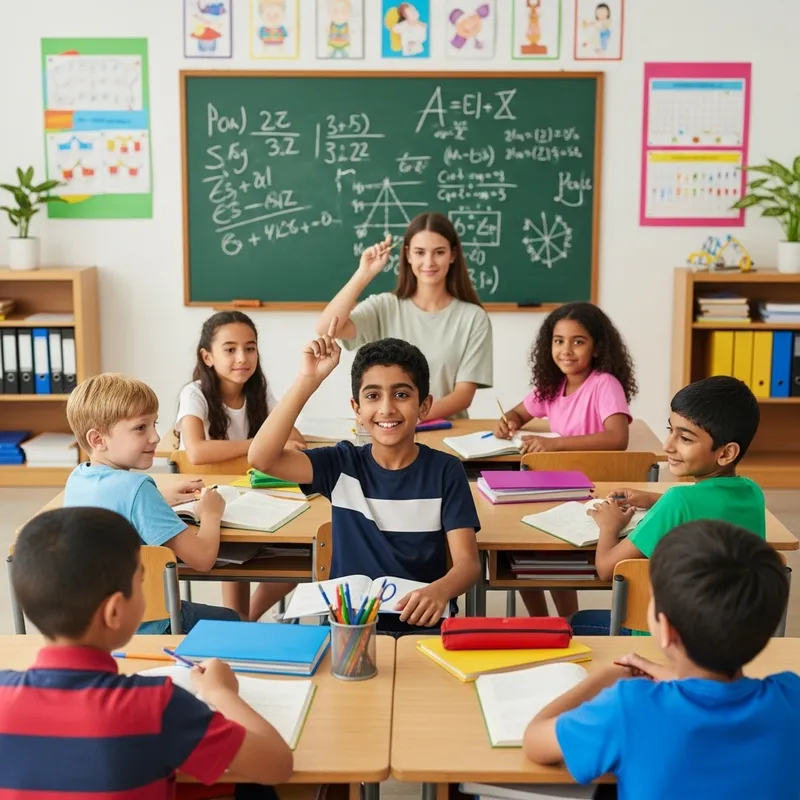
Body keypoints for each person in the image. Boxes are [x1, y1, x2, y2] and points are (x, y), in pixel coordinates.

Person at [3, 506, 293, 795]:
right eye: (142, 583)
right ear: (114, 611)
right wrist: (221, 692)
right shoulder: (157, 705)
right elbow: (277, 765)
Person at [522, 520, 798, 799]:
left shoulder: (628, 706)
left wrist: (602, 678)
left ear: (666, 629)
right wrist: (671, 675)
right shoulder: (791, 695)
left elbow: (535, 741)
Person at [248, 321, 482, 635]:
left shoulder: (445, 471)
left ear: (424, 406)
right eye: (373, 396)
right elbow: (261, 457)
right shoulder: (341, 463)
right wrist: (308, 380)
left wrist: (439, 591)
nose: (387, 408)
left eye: (401, 394)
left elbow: (468, 564)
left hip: (422, 629)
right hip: (350, 629)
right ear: (356, 409)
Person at [572, 375, 764, 634]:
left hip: (659, 636)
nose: (667, 446)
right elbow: (706, 508)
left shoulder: (679, 501)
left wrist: (610, 525)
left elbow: (607, 569)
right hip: (723, 637)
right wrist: (653, 499)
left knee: (575, 621)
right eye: (670, 430)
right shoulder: (752, 492)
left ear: (726, 453)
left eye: (685, 438)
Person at [64, 372, 240, 633]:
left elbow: (116, 511)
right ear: (98, 439)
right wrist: (211, 513)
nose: (156, 437)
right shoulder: (137, 489)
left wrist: (159, 498)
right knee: (233, 619)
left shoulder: (78, 477)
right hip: (149, 624)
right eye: (140, 427)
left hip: (97, 624)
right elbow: (203, 559)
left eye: (154, 424)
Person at [494, 302, 637, 620]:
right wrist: (509, 421)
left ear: (597, 347)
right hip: (557, 484)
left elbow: (617, 438)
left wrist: (555, 444)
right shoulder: (551, 387)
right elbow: (518, 412)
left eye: (578, 341)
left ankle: (566, 622)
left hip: (591, 488)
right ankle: (542, 621)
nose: (566, 350)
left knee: (545, 552)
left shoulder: (604, 385)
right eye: (559, 340)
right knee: (516, 551)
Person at [176, 311, 304, 620]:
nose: (242, 357)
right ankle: (241, 622)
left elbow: (295, 439)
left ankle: (246, 621)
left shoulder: (258, 390)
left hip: (252, 494)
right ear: (207, 356)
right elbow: (197, 451)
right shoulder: (195, 394)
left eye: (250, 348)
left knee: (307, 553)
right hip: (207, 501)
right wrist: (259, 446)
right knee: (233, 549)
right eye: (230, 349)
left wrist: (269, 444)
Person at [317, 211, 493, 419]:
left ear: (452, 255)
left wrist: (409, 419)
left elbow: (463, 396)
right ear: (408, 255)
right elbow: (327, 327)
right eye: (420, 252)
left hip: (444, 432)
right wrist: (364, 273)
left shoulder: (473, 318)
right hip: (387, 430)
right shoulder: (384, 306)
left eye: (439, 252)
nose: (429, 262)